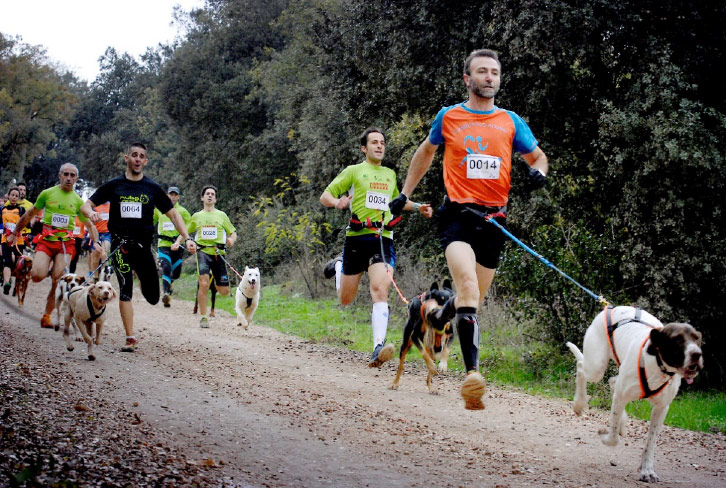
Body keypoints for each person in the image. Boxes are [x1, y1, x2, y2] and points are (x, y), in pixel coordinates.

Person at [390, 49, 548, 410]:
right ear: (467, 79)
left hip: (495, 222)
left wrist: (539, 172)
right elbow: (426, 153)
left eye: (494, 72)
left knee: (469, 302)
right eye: (482, 71)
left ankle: (439, 316)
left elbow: (538, 156)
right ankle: (472, 377)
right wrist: (404, 194)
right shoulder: (449, 117)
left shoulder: (510, 121)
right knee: (467, 288)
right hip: (458, 217)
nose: (490, 77)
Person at [320, 127, 432, 368]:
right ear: (364, 148)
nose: (379, 146)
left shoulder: (390, 174)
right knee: (345, 299)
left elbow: (396, 203)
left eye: (382, 142)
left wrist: (418, 206)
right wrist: (337, 202)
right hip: (357, 239)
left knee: (380, 289)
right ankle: (340, 264)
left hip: (382, 239)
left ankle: (377, 348)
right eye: (374, 142)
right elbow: (325, 195)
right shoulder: (354, 172)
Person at [81, 143, 193, 352]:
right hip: (120, 245)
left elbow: (173, 214)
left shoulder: (152, 188)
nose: (138, 159)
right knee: (125, 288)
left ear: (146, 161)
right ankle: (130, 337)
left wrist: (187, 237)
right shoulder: (115, 185)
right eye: (134, 155)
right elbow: (86, 204)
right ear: (127, 158)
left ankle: (142, 277)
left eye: (142, 156)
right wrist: (91, 213)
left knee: (152, 297)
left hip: (142, 246)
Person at [7, 165, 103, 327]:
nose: (68, 178)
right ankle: (31, 265)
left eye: (72, 175)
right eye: (65, 174)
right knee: (37, 275)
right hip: (46, 241)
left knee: (58, 280)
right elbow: (29, 214)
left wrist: (96, 242)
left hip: (65, 244)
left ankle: (46, 316)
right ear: (59, 175)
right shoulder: (47, 194)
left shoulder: (78, 201)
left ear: (76, 179)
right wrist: (15, 232)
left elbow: (89, 225)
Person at [185, 185, 237, 328]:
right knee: (203, 283)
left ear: (215, 198)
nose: (209, 196)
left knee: (224, 291)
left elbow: (233, 232)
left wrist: (231, 240)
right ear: (202, 197)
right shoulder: (197, 216)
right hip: (202, 252)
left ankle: (215, 281)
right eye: (207, 194)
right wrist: (186, 242)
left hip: (218, 254)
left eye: (212, 194)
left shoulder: (222, 215)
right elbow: (185, 232)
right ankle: (203, 317)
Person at [154, 186, 192, 307]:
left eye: (175, 195)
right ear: (167, 195)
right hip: (163, 244)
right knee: (166, 266)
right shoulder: (159, 210)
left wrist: (180, 240)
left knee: (175, 273)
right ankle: (165, 293)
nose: (173, 197)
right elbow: (150, 222)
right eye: (171, 194)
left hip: (178, 245)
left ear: (178, 197)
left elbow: (189, 227)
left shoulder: (183, 211)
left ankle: (169, 289)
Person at [2, 187, 26, 295]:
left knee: (18, 264)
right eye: (12, 195)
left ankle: (17, 284)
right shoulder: (3, 209)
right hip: (5, 239)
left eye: (17, 196)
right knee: (7, 261)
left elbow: (25, 224)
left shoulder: (21, 210)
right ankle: (7, 283)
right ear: (8, 196)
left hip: (18, 241)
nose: (14, 198)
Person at [86, 201, 111, 278]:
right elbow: (89, 222)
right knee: (95, 257)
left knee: (103, 253)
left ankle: (103, 276)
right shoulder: (95, 206)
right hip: (96, 233)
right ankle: (95, 278)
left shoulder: (112, 205)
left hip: (107, 233)